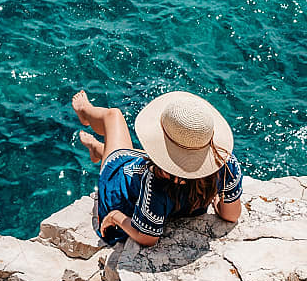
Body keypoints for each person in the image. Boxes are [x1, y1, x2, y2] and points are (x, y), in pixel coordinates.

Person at [71, 90, 242, 247]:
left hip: (120, 184)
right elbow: (231, 215)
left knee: (112, 115)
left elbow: (147, 237)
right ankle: (97, 148)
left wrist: (116, 216)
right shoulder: (226, 164)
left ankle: (85, 113)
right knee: (129, 150)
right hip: (150, 179)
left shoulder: (155, 180)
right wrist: (213, 195)